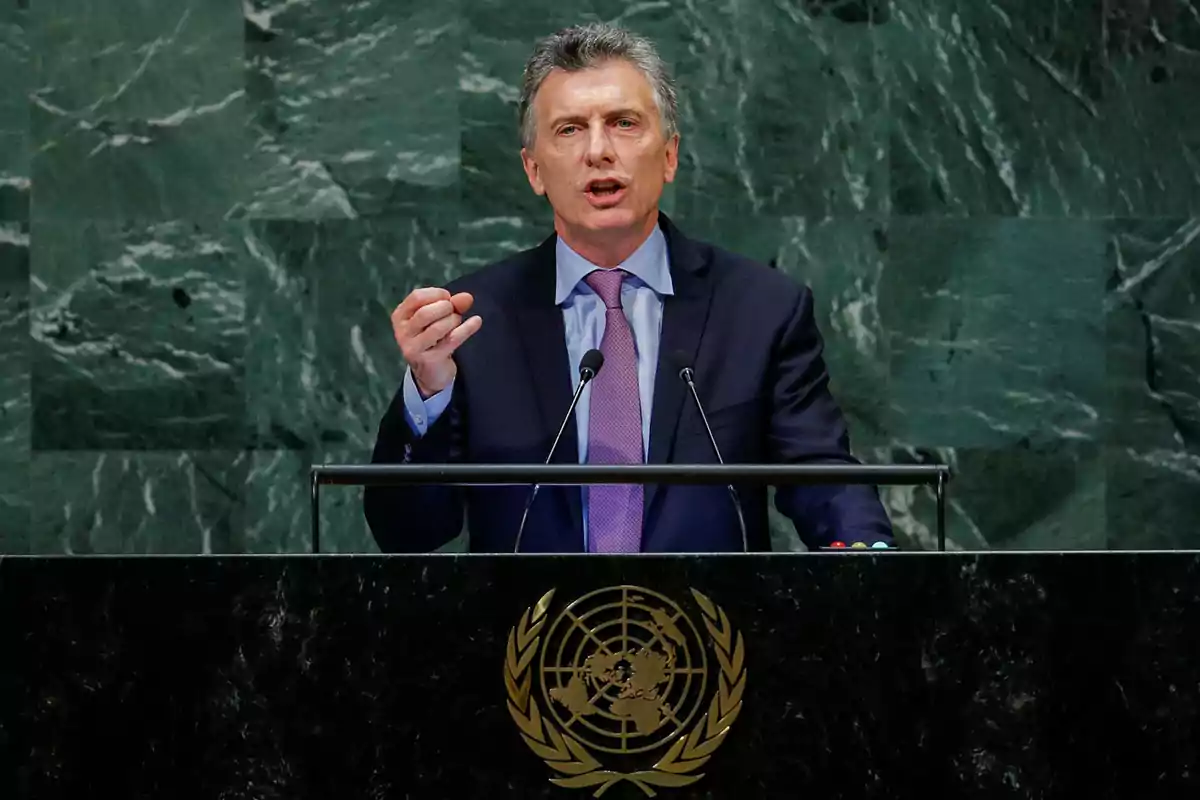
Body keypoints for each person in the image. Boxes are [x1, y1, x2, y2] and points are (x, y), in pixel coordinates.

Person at [364, 22, 893, 553]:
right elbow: (406, 533)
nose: (599, 150)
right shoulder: (473, 322)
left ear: (669, 156)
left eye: (623, 123)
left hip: (706, 628)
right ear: (534, 170)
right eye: (570, 129)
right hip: (531, 632)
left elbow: (821, 472)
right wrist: (428, 390)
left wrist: (868, 554)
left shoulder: (760, 309)